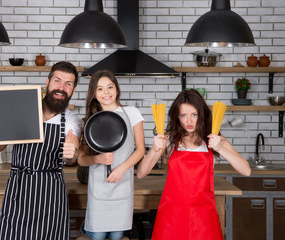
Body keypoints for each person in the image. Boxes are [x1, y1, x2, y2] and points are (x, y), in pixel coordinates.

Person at [0, 61, 82, 240]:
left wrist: (73, 153)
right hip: (19, 190)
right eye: (57, 80)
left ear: (73, 89)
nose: (61, 87)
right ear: (47, 82)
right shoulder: (22, 109)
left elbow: (73, 152)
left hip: (51, 194)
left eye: (68, 83)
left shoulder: (72, 121)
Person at [137, 89, 251, 240]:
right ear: (177, 117)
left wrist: (220, 148)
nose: (189, 121)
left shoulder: (214, 139)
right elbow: (141, 173)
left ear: (201, 115)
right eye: (183, 115)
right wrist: (154, 149)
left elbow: (246, 170)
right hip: (172, 215)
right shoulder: (169, 140)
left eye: (194, 115)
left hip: (203, 216)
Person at [78, 70, 145, 240]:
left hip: (122, 184)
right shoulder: (89, 121)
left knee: (116, 235)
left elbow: (140, 150)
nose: (106, 92)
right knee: (98, 235)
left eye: (109, 87)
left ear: (117, 89)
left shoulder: (132, 113)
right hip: (99, 186)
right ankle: (86, 227)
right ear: (93, 93)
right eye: (99, 89)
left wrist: (121, 169)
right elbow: (81, 159)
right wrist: (97, 158)